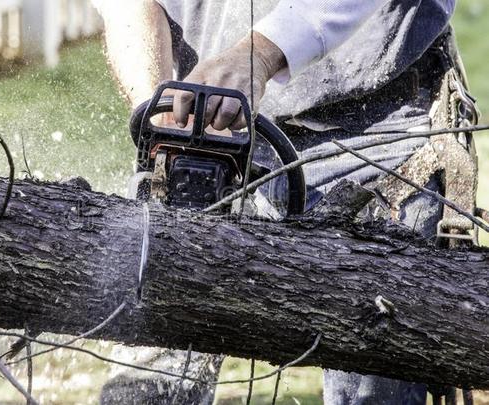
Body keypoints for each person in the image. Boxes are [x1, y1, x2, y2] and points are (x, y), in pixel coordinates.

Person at [93, 0, 478, 403]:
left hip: (378, 130)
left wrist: (260, 53)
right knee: (150, 381)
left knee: (370, 380)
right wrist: (161, 108)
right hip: (214, 134)